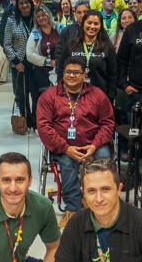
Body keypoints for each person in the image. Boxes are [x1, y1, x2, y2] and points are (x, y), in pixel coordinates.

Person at [37, 57, 116, 223]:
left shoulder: (97, 95)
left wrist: (94, 146)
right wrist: (66, 148)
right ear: (62, 74)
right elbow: (44, 127)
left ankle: (99, 205)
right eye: (68, 72)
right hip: (63, 146)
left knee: (104, 163)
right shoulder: (49, 96)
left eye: (76, 72)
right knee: (67, 164)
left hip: (93, 144)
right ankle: (73, 210)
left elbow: (108, 123)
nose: (71, 76)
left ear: (84, 74)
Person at [56, 9, 117, 103]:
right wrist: (61, 90)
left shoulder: (107, 47)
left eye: (96, 24)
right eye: (89, 23)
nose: (92, 27)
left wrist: (110, 97)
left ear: (101, 26)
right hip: (72, 96)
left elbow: (113, 74)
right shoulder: (72, 44)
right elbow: (61, 68)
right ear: (83, 23)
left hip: (99, 97)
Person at [2, 0, 36, 132]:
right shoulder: (11, 20)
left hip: (36, 64)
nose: (24, 5)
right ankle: (26, 121)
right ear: (17, 5)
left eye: (27, 2)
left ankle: (37, 122)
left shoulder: (37, 18)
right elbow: (7, 44)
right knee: (21, 95)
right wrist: (16, 62)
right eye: (21, 3)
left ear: (31, 3)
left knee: (37, 94)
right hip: (19, 64)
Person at [26, 6, 61, 118]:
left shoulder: (60, 28)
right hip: (41, 72)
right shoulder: (35, 33)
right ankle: (41, 124)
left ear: (49, 14)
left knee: (59, 99)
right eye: (38, 16)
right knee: (43, 99)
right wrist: (48, 62)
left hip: (60, 71)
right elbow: (29, 54)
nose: (41, 18)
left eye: (43, 15)